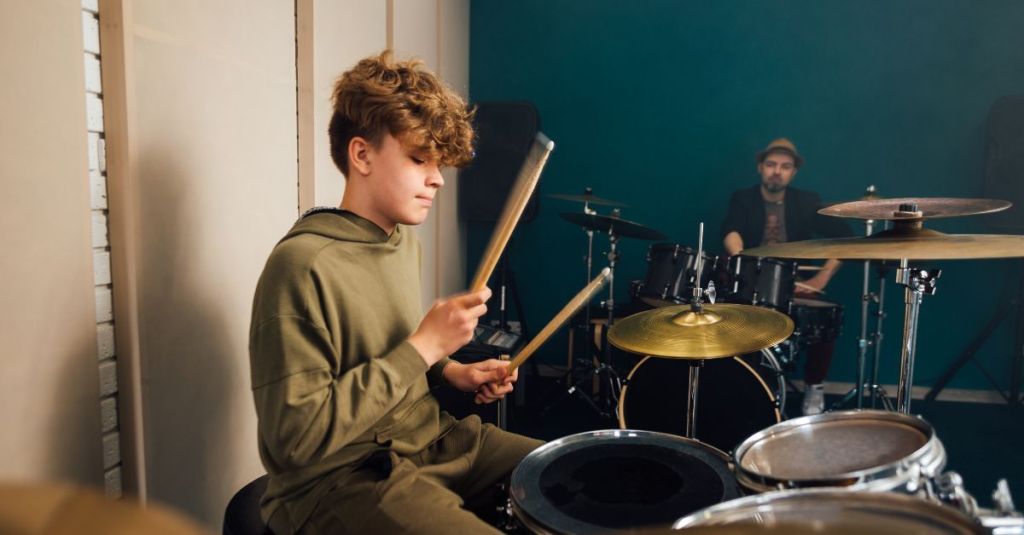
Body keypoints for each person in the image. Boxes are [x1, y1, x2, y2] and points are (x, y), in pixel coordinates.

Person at [248, 51, 542, 535]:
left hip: (433, 442)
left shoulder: (402, 243)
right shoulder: (301, 267)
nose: (437, 178)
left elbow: (388, 356)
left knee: (573, 471)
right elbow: (294, 442)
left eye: (439, 163)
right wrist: (425, 346)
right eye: (418, 159)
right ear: (361, 155)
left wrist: (451, 370)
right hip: (343, 478)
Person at [720, 138, 853, 415]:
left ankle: (814, 387)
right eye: (771, 164)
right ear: (760, 167)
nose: (776, 171)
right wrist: (743, 263)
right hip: (751, 282)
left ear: (794, 172)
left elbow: (846, 238)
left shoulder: (807, 201)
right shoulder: (743, 198)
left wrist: (821, 279)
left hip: (795, 284)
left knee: (824, 319)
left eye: (785, 166)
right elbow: (732, 231)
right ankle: (745, 386)